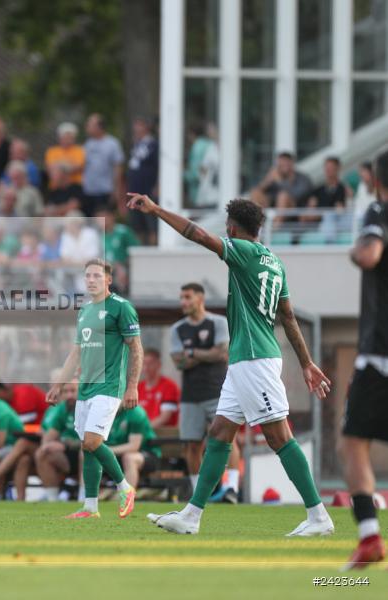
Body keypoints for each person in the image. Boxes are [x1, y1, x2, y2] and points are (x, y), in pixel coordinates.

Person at [128, 192, 333, 536]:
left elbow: (196, 233)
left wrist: (156, 209)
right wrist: (306, 362)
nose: (225, 233)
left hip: (254, 359)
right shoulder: (274, 261)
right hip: (246, 361)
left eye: (227, 228)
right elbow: (288, 317)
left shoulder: (244, 252)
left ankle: (318, 515)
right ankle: (192, 516)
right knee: (220, 434)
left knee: (279, 437)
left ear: (234, 229)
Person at [47, 258, 142, 519]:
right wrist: (59, 385)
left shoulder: (121, 308)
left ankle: (125, 488)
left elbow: (136, 347)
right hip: (85, 388)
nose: (91, 280)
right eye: (87, 276)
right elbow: (76, 353)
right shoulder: (85, 310)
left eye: (97, 276)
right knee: (86, 445)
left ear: (108, 280)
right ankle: (90, 507)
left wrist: (132, 386)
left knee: (92, 441)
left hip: (109, 386)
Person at [341, 149, 388, 569]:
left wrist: (356, 253)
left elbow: (370, 253)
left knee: (354, 441)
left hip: (381, 354)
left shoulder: (378, 208)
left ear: (375, 180)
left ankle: (370, 537)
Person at [169, 282, 240, 503]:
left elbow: (221, 354)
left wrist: (191, 352)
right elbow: (178, 361)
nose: (183, 302)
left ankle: (231, 489)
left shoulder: (217, 322)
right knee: (192, 445)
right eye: (181, 297)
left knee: (228, 440)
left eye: (187, 297)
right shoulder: (178, 329)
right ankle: (199, 493)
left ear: (200, 298)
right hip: (191, 395)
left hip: (219, 392)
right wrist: (205, 353)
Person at [35, 378, 81, 501]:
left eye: (73, 391)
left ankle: (85, 496)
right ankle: (52, 499)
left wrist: (64, 445)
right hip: (68, 454)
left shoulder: (88, 407)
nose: (69, 395)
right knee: (43, 453)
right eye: (65, 392)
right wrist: (46, 445)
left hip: (87, 452)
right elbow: (51, 433)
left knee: (85, 453)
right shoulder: (62, 408)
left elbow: (93, 441)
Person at [82, 113, 124, 216]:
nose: (86, 127)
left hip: (105, 190)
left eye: (90, 125)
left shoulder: (112, 143)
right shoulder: (88, 144)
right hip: (89, 191)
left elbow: (118, 167)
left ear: (99, 127)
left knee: (103, 222)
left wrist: (117, 189)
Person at [126, 117, 159, 245]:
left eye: (139, 125)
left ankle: (153, 251)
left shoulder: (153, 144)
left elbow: (157, 165)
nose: (136, 129)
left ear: (146, 127)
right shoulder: (136, 145)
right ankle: (139, 251)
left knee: (151, 224)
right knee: (137, 225)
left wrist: (157, 185)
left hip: (148, 189)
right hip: (135, 189)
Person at [137, 348, 179, 431]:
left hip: (163, 435)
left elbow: (165, 417)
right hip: (142, 433)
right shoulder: (138, 388)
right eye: (144, 363)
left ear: (159, 364)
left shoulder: (169, 386)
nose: (146, 368)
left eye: (150, 363)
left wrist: (143, 430)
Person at [45, 122, 84, 188]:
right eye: (65, 136)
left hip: (75, 185)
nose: (68, 139)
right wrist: (67, 165)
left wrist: (59, 166)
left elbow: (78, 167)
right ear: (60, 138)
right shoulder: (52, 151)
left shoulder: (79, 150)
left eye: (70, 137)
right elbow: (50, 168)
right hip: (56, 186)